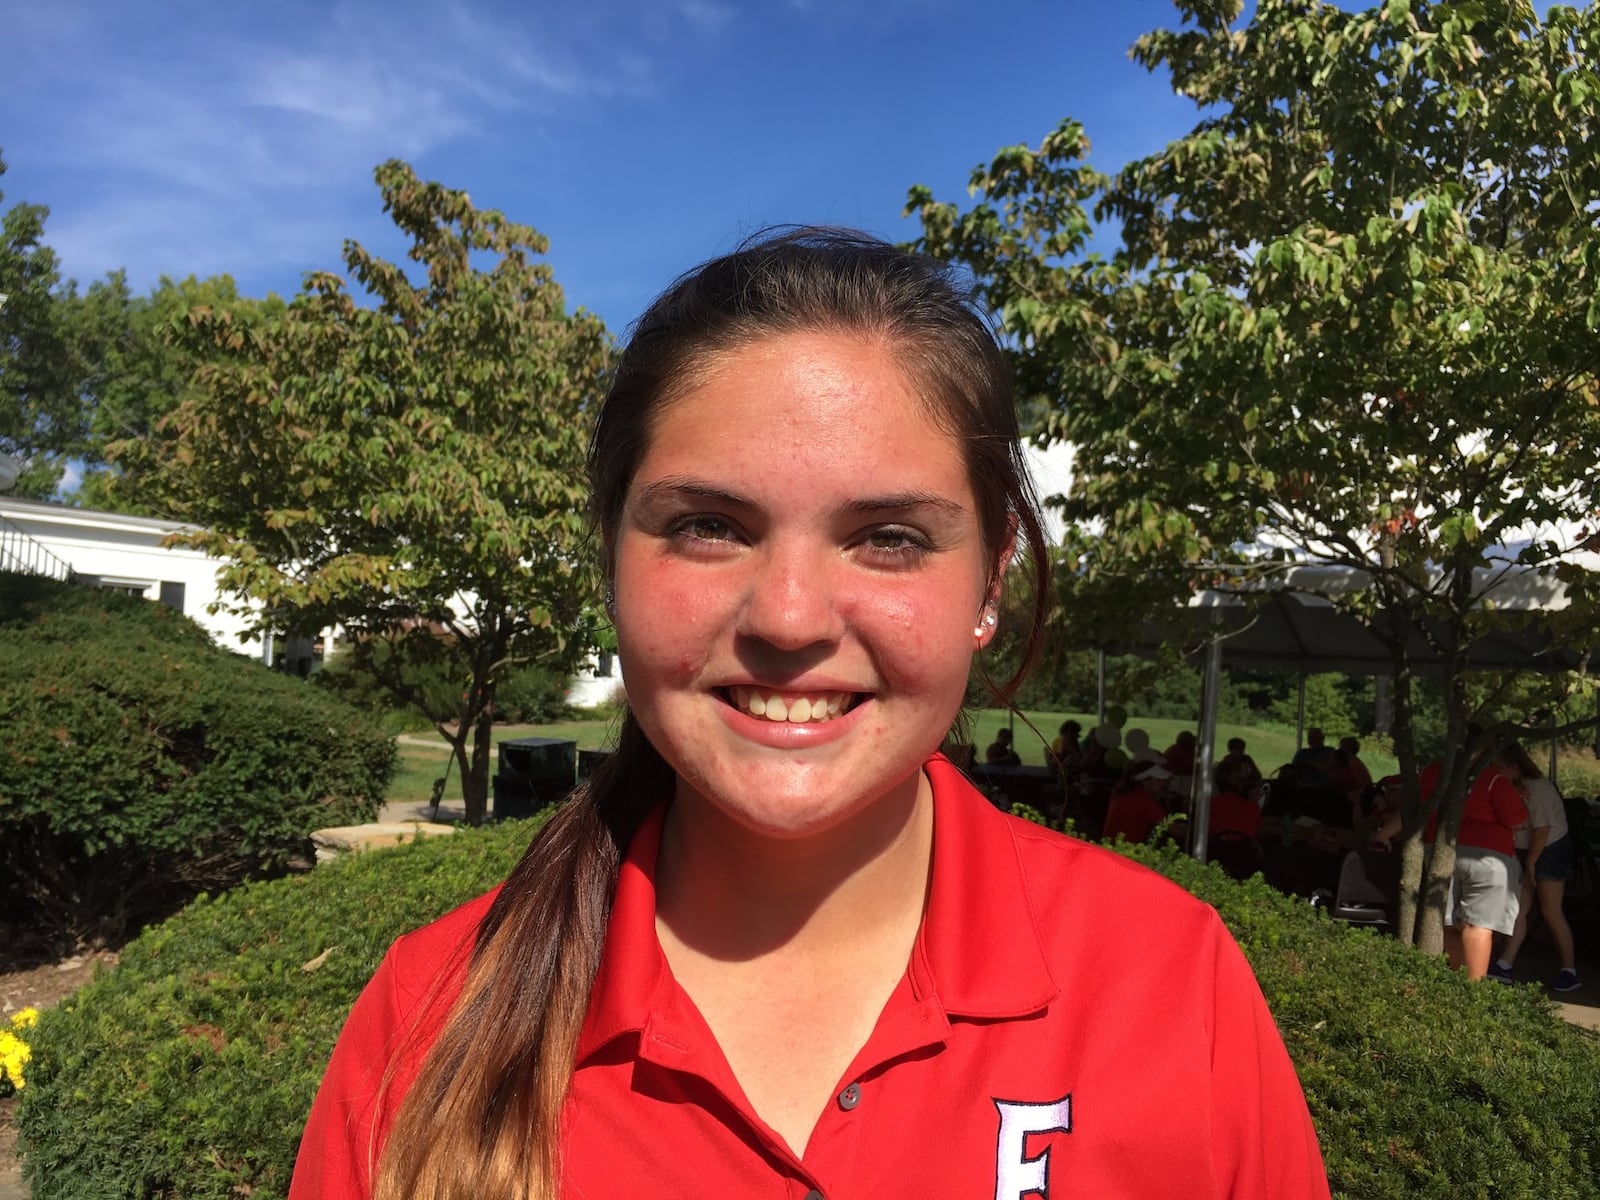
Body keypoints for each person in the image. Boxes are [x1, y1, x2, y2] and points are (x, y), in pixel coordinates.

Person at [289, 230, 1329, 1199]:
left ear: (990, 580)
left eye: (886, 537)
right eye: (707, 526)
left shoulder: (1167, 985)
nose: (788, 618)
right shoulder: (429, 1013)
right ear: (610, 558)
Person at [1375, 749, 1528, 980]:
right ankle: (1472, 993)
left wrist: (1384, 833)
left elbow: (1411, 809)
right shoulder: (1492, 779)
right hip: (1489, 857)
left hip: (1439, 851)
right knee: (1478, 925)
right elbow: (1518, 820)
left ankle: (1457, 986)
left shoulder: (1431, 773)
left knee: (1447, 923)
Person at [1491, 742, 1580, 991]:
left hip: (1550, 850)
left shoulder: (1538, 787)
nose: (1494, 772)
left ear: (1514, 766)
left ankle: (1569, 969)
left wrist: (1530, 863)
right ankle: (1505, 963)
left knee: (1550, 909)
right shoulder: (1513, 787)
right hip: (1528, 850)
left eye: (1498, 767)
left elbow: (1542, 830)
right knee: (1519, 907)